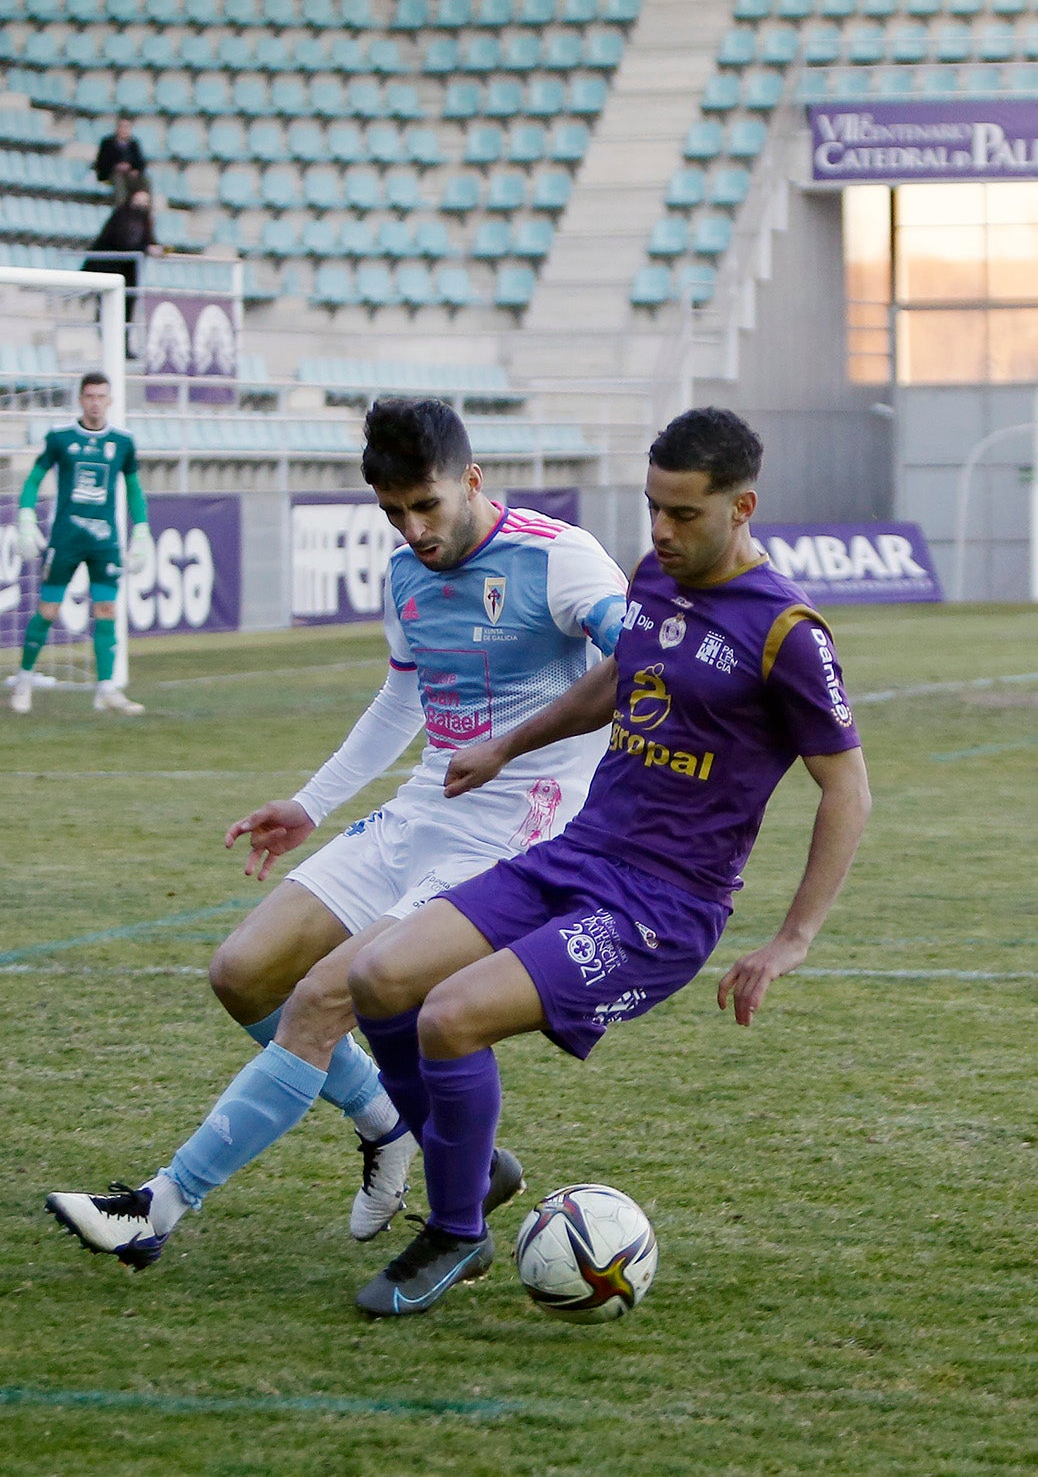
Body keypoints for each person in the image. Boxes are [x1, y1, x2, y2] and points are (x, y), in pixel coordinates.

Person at [43, 397, 630, 1269]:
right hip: (426, 807)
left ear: (473, 479)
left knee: (324, 997)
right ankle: (390, 1126)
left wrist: (513, 747)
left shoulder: (561, 559)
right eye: (394, 511)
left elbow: (644, 666)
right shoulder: (405, 573)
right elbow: (403, 696)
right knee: (242, 974)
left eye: (427, 504)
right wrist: (311, 803)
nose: (414, 527)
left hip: (517, 825)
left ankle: (154, 1207)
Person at [341, 407, 872, 1316]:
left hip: (660, 907)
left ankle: (458, 1230)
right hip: (580, 852)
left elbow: (848, 789)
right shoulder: (656, 578)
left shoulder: (788, 632)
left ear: (742, 506)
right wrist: (510, 745)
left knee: (450, 1018)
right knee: (379, 976)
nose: (662, 530)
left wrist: (792, 939)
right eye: (652, 508)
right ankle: (464, 1159)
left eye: (685, 513)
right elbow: (617, 678)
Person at [11, 372, 152, 715]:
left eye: (101, 396)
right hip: (66, 538)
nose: (95, 403)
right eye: (89, 396)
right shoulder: (61, 438)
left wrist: (142, 531)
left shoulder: (122, 442)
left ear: (110, 400)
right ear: (80, 399)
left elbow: (133, 489)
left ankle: (105, 688)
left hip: (104, 540)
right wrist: (26, 518)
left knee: (107, 611)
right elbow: (33, 480)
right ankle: (24, 679)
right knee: (48, 609)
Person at [83, 189, 160, 357]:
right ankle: (112, 347)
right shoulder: (124, 218)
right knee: (109, 311)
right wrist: (146, 249)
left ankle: (122, 347)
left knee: (125, 312)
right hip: (110, 270)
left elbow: (146, 240)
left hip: (128, 273)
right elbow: (124, 242)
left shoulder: (143, 220)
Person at [93, 114, 148, 205]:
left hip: (129, 174)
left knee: (145, 180)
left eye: (126, 127)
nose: (124, 129)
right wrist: (116, 166)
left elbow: (140, 162)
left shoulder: (134, 144)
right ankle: (121, 207)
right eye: (122, 126)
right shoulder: (107, 143)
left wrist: (134, 170)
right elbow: (101, 162)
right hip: (110, 174)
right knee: (119, 179)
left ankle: (145, 207)